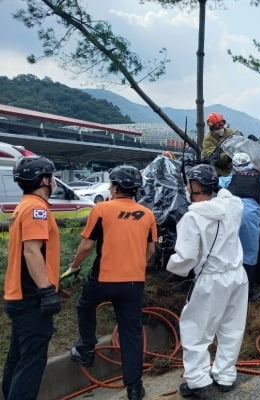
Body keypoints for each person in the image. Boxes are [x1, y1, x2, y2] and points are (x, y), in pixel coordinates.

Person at [66, 165, 157, 400]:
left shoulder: (102, 209)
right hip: (133, 283)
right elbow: (151, 249)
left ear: (115, 187)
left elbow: (87, 246)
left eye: (111, 184)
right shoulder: (146, 214)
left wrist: (74, 267)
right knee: (131, 333)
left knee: (85, 306)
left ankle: (86, 349)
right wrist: (136, 265)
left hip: (103, 279)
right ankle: (135, 388)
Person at [166, 164, 248, 398]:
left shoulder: (191, 219)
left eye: (189, 184)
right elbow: (226, 196)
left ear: (194, 186)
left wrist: (170, 265)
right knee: (232, 327)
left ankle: (197, 380)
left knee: (196, 329)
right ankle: (225, 375)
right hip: (237, 276)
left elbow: (186, 258)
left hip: (211, 279)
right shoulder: (233, 206)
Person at [2, 156, 61, 400]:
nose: (55, 181)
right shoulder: (37, 209)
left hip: (19, 296)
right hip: (31, 299)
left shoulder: (24, 205)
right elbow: (32, 250)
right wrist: (46, 290)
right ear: (45, 180)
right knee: (32, 362)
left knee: (18, 358)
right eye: (53, 176)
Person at [219, 152, 260, 302]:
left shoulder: (230, 178)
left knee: (228, 251)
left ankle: (224, 288)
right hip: (249, 218)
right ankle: (248, 292)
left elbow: (218, 183)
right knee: (249, 253)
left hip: (231, 215)